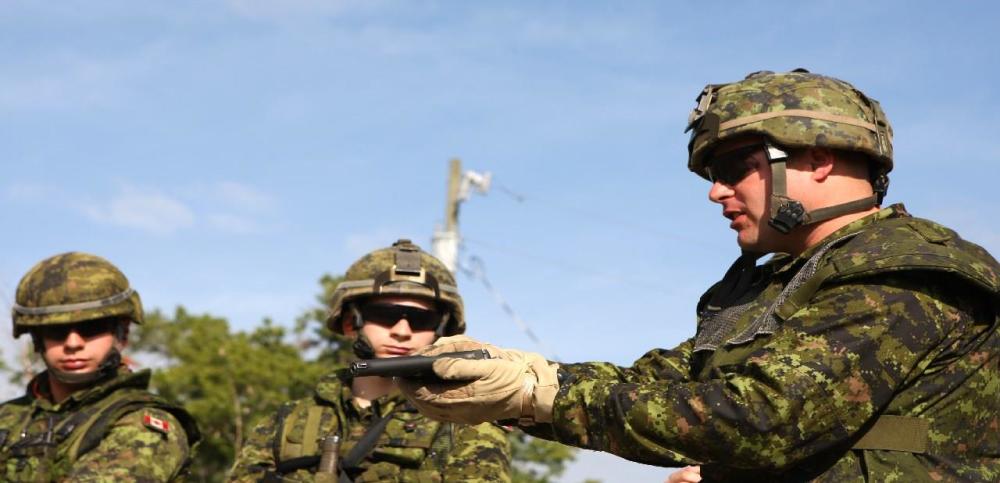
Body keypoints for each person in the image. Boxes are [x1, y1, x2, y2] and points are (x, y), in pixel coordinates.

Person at [398, 70, 1000, 481]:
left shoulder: (904, 270)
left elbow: (765, 418)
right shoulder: (770, 285)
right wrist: (518, 377)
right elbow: (668, 384)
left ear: (817, 158)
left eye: (737, 166)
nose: (717, 191)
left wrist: (541, 394)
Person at [228, 239, 511, 482]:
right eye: (385, 315)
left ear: (441, 332)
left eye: (421, 320)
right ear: (352, 322)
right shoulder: (284, 423)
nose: (402, 332)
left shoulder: (464, 424)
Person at [0, 252, 201, 482]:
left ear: (122, 333)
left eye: (91, 328)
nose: (73, 344)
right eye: (56, 330)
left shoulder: (143, 424)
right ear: (37, 338)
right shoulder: (8, 417)